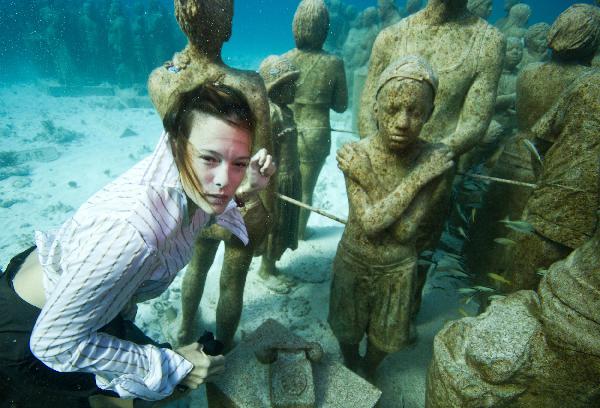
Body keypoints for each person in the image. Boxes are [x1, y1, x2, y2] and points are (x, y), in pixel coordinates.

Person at [0, 82, 275, 407]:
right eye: (210, 159)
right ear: (176, 144)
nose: (224, 181)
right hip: (28, 336)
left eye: (239, 163)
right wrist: (173, 364)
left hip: (82, 306)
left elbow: (205, 209)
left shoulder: (184, 179)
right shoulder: (134, 235)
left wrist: (247, 188)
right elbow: (52, 343)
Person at [329, 57, 453, 381]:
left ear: (429, 113)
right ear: (376, 107)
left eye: (415, 112)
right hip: (354, 260)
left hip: (397, 268)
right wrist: (417, 179)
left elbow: (406, 232)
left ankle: (369, 370)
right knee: (346, 329)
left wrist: (372, 179)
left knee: (384, 338)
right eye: (393, 109)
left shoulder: (431, 161)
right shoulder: (356, 153)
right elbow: (369, 223)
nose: (402, 122)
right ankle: (349, 362)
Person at [257, 56, 303, 280]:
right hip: (278, 181)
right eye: (289, 84)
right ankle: (266, 269)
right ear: (275, 88)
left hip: (291, 177)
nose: (294, 88)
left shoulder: (286, 111)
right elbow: (263, 152)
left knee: (285, 225)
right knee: (276, 224)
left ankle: (272, 265)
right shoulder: (271, 114)